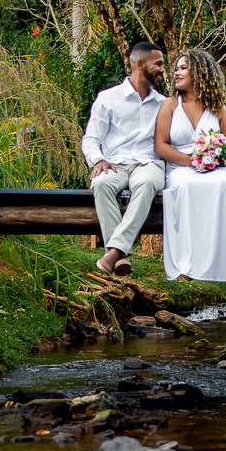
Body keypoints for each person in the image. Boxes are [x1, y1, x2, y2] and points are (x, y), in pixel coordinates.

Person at [153, 49, 226, 282]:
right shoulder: (170, 106)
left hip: (212, 168)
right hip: (180, 168)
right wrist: (192, 161)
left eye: (183, 68)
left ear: (200, 72)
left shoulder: (218, 108)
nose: (176, 72)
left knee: (225, 182)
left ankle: (219, 261)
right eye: (176, 68)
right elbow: (160, 146)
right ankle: (187, 263)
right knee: (186, 184)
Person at [82, 42, 168, 277]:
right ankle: (122, 254)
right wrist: (98, 159)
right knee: (100, 183)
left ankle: (113, 252)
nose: (163, 69)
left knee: (148, 182)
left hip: (148, 164)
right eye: (158, 63)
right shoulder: (107, 98)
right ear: (140, 65)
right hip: (114, 164)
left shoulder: (164, 104)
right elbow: (90, 139)